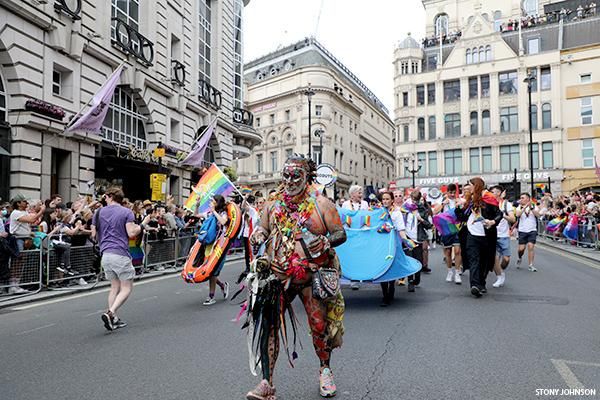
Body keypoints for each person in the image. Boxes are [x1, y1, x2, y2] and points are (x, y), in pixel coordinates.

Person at [246, 155, 346, 400]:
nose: (290, 181)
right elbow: (262, 228)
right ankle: (267, 383)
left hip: (312, 276)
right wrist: (258, 235)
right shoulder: (272, 204)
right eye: (286, 175)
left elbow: (340, 234)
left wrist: (325, 240)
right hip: (278, 276)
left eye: (295, 176)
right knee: (269, 326)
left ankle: (325, 371)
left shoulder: (322, 204)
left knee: (319, 326)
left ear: (307, 177)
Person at [92, 187, 141, 331]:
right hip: (120, 253)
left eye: (105, 196)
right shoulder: (127, 212)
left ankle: (114, 318)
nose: (104, 198)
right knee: (126, 287)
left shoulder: (98, 212)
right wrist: (141, 226)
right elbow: (131, 233)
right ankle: (111, 312)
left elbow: (93, 234)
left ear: (110, 196)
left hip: (105, 254)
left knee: (114, 287)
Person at [455, 178, 502, 298]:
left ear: (476, 186)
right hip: (471, 234)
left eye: (470, 185)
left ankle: (482, 283)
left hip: (487, 235)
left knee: (484, 261)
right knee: (473, 260)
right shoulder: (468, 200)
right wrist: (459, 207)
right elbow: (461, 218)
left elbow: (499, 214)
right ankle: (474, 285)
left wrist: (492, 221)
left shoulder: (489, 197)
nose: (468, 187)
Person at [9, 194, 45, 294]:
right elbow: (31, 220)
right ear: (18, 203)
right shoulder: (16, 213)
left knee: (21, 262)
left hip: (25, 239)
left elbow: (30, 223)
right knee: (17, 262)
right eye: (24, 201)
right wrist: (41, 211)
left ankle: (17, 284)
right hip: (17, 239)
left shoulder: (23, 212)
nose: (27, 203)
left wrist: (30, 233)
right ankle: (12, 285)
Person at [380, 191, 410, 306]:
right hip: (382, 243)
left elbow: (401, 230)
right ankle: (384, 295)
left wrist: (407, 241)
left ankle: (391, 287)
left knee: (391, 266)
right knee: (382, 266)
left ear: (392, 200)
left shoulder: (397, 213)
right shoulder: (378, 212)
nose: (385, 201)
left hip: (393, 243)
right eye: (384, 199)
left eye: (388, 199)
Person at [202, 194, 230, 306]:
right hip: (209, 245)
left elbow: (224, 222)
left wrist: (214, 211)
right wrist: (198, 204)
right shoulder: (209, 214)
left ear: (217, 203)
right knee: (209, 272)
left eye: (213, 201)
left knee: (213, 271)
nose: (211, 203)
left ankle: (211, 296)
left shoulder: (222, 213)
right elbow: (196, 215)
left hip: (220, 245)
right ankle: (222, 285)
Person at [433, 183, 463, 284]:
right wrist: (443, 204)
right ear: (447, 192)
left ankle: (457, 273)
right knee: (448, 252)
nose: (452, 194)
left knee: (458, 251)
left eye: (454, 192)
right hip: (446, 229)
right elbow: (434, 212)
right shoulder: (442, 201)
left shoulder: (459, 200)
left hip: (457, 228)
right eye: (450, 192)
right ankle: (450, 271)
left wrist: (460, 204)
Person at [402, 190, 431, 292]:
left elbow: (429, 225)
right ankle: (410, 281)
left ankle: (417, 278)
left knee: (418, 260)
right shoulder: (404, 208)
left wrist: (420, 219)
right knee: (409, 260)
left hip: (418, 238)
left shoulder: (422, 209)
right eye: (413, 199)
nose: (414, 202)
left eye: (416, 200)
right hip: (407, 237)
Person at [341, 185, 368, 290]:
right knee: (351, 256)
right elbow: (343, 217)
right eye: (359, 193)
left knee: (360, 255)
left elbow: (367, 216)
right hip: (350, 234)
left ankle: (361, 275)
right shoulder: (345, 204)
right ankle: (353, 279)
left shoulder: (365, 204)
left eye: (361, 193)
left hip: (361, 234)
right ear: (352, 194)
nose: (361, 195)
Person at [490, 186, 515, 288]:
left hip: (504, 235)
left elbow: (512, 219)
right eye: (491, 192)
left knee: (506, 259)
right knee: (494, 258)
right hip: (492, 234)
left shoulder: (506, 204)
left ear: (500, 193)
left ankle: (501, 270)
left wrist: (502, 215)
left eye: (495, 192)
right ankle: (499, 276)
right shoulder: (488, 203)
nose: (493, 194)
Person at [515, 193, 540, 271]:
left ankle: (531, 265)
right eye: (521, 198)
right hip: (522, 230)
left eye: (523, 198)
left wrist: (531, 208)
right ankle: (519, 257)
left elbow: (538, 215)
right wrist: (525, 207)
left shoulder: (534, 206)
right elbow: (518, 215)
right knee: (521, 249)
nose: (521, 199)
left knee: (530, 246)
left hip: (532, 230)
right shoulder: (519, 207)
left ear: (528, 199)